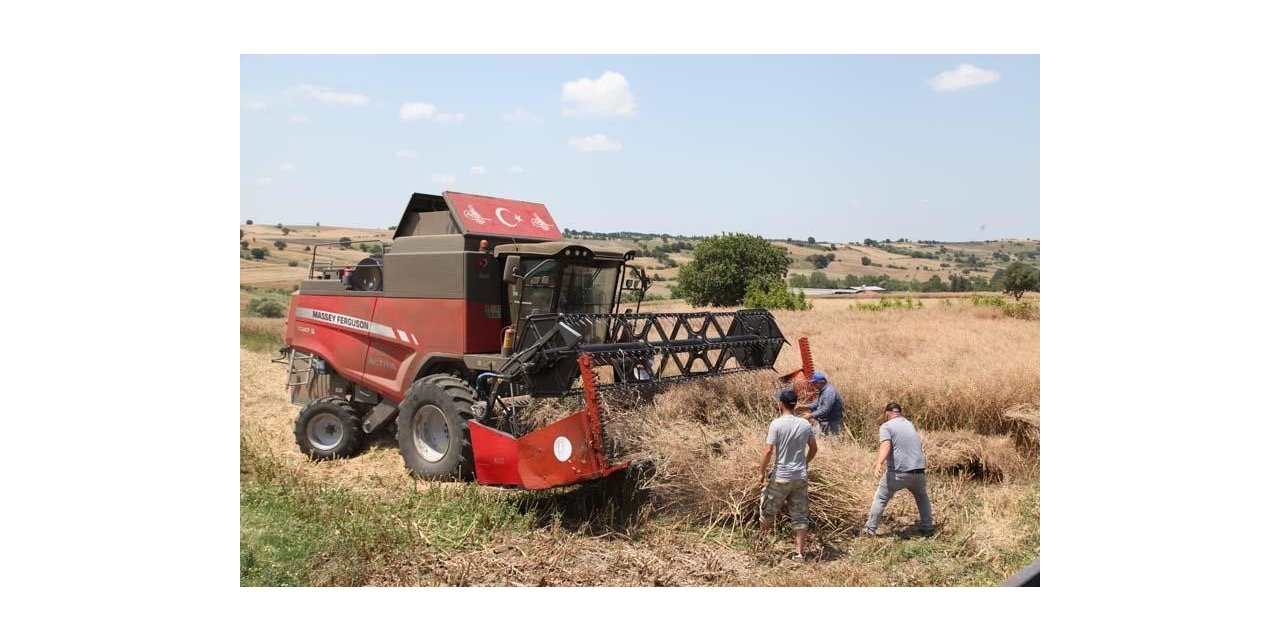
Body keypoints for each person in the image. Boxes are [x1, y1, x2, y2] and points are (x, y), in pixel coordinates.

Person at [758, 388, 819, 561]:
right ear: (795, 404)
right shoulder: (805, 424)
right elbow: (814, 448)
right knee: (800, 515)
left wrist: (761, 473)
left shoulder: (776, 424)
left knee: (767, 511)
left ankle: (761, 544)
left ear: (781, 404)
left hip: (781, 476)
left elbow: (768, 450)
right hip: (800, 477)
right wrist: (804, 463)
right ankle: (799, 553)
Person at [863, 402, 934, 536]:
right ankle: (928, 527)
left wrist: (879, 463)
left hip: (899, 473)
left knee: (881, 498)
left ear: (887, 413)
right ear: (900, 413)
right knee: (921, 496)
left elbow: (886, 445)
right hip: (919, 471)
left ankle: (869, 530)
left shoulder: (886, 426)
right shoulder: (909, 424)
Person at [800, 372, 844, 436]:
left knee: (828, 440)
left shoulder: (828, 392)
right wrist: (804, 407)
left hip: (832, 424)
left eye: (814, 382)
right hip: (825, 422)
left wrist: (810, 415)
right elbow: (817, 403)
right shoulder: (823, 390)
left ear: (820, 382)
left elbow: (825, 409)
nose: (813, 384)